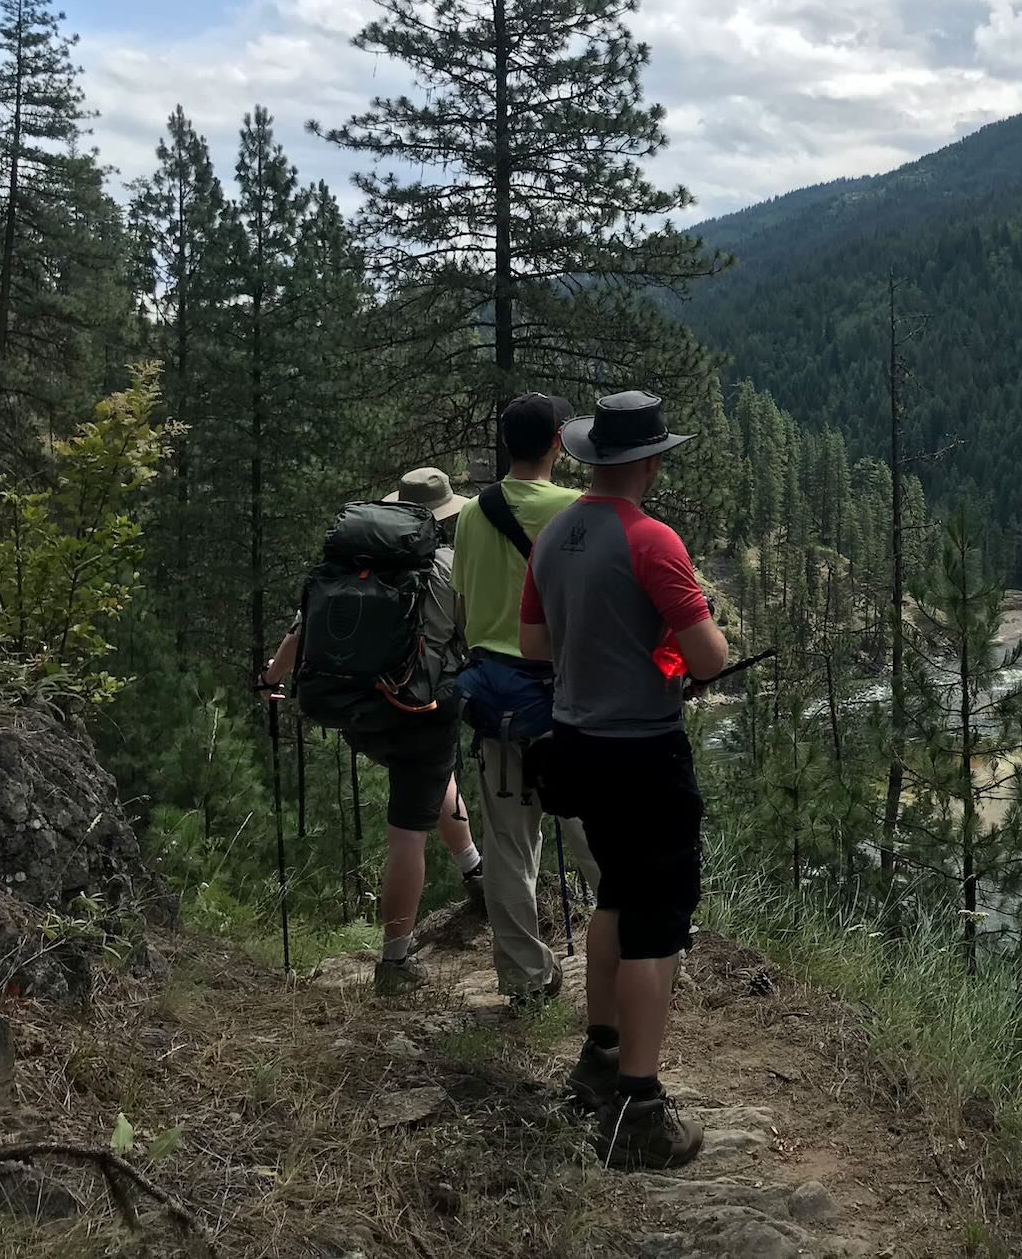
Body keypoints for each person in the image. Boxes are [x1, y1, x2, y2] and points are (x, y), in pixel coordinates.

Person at [518, 391, 726, 1170]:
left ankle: (599, 1056)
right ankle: (639, 1107)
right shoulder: (652, 541)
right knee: (657, 919)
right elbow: (706, 658)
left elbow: (535, 644)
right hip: (644, 754)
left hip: (576, 744)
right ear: (648, 461)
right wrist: (678, 636)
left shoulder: (554, 532)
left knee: (613, 891)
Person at [262, 467, 484, 996]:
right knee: (408, 831)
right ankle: (395, 963)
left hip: (355, 709)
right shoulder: (449, 567)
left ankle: (476, 874)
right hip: (421, 711)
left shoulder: (348, 565)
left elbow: (302, 630)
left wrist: (271, 679)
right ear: (444, 516)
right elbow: (474, 634)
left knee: (431, 780)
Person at [451, 393, 601, 1006]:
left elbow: (462, 609)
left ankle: (523, 977)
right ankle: (645, 949)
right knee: (596, 833)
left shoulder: (471, 514)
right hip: (565, 701)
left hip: (494, 698)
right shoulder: (575, 511)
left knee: (509, 847)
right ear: (559, 441)